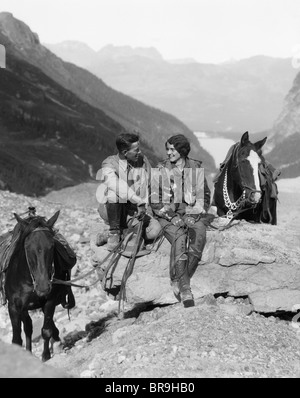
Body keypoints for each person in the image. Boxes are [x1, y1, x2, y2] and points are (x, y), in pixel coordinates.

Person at [150, 134, 211, 308]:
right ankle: (185, 289)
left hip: (190, 213)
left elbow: (204, 196)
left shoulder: (196, 168)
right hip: (166, 215)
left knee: (199, 234)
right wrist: (171, 216)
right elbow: (154, 200)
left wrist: (194, 214)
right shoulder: (161, 169)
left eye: (172, 149)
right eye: (167, 149)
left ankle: (177, 278)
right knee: (180, 237)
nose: (168, 153)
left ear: (182, 150)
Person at [96, 132, 161, 251]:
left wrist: (151, 208)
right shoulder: (108, 163)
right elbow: (115, 185)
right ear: (125, 152)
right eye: (136, 150)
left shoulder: (142, 160)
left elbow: (151, 184)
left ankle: (120, 234)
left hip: (133, 210)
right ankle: (114, 233)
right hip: (113, 210)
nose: (139, 152)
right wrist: (138, 201)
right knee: (113, 193)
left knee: (156, 230)